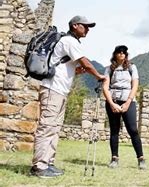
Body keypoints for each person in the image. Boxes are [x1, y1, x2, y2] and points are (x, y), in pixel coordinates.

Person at [30, 16, 106, 178]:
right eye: (85, 26)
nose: (88, 29)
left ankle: (48, 163)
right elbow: (85, 63)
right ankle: (39, 166)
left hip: (60, 90)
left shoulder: (72, 42)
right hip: (53, 89)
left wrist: (76, 71)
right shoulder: (69, 41)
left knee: (55, 128)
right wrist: (99, 76)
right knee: (47, 126)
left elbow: (69, 66)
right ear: (75, 25)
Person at [103, 45, 145, 170]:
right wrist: (111, 103)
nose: (121, 54)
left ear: (126, 55)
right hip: (113, 100)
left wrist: (128, 102)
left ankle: (141, 159)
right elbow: (105, 87)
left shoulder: (132, 67)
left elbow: (135, 86)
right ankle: (114, 158)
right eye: (119, 52)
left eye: (124, 52)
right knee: (114, 130)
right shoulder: (109, 69)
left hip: (128, 100)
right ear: (115, 54)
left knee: (133, 130)